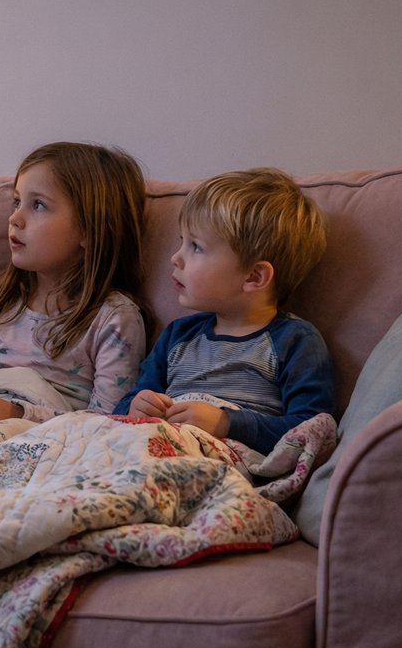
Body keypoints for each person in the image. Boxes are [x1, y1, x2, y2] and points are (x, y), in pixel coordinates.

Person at [113, 167, 334, 453]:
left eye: (196, 247)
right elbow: (122, 409)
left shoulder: (295, 341)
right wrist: (136, 405)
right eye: (182, 241)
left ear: (254, 277)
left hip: (216, 459)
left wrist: (227, 423)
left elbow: (313, 430)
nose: (175, 258)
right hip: (148, 446)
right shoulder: (179, 335)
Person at [0, 142, 149, 423]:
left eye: (38, 205)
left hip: (42, 441)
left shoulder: (114, 318)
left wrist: (18, 415)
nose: (15, 218)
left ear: (89, 229)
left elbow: (105, 423)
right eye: (16, 201)